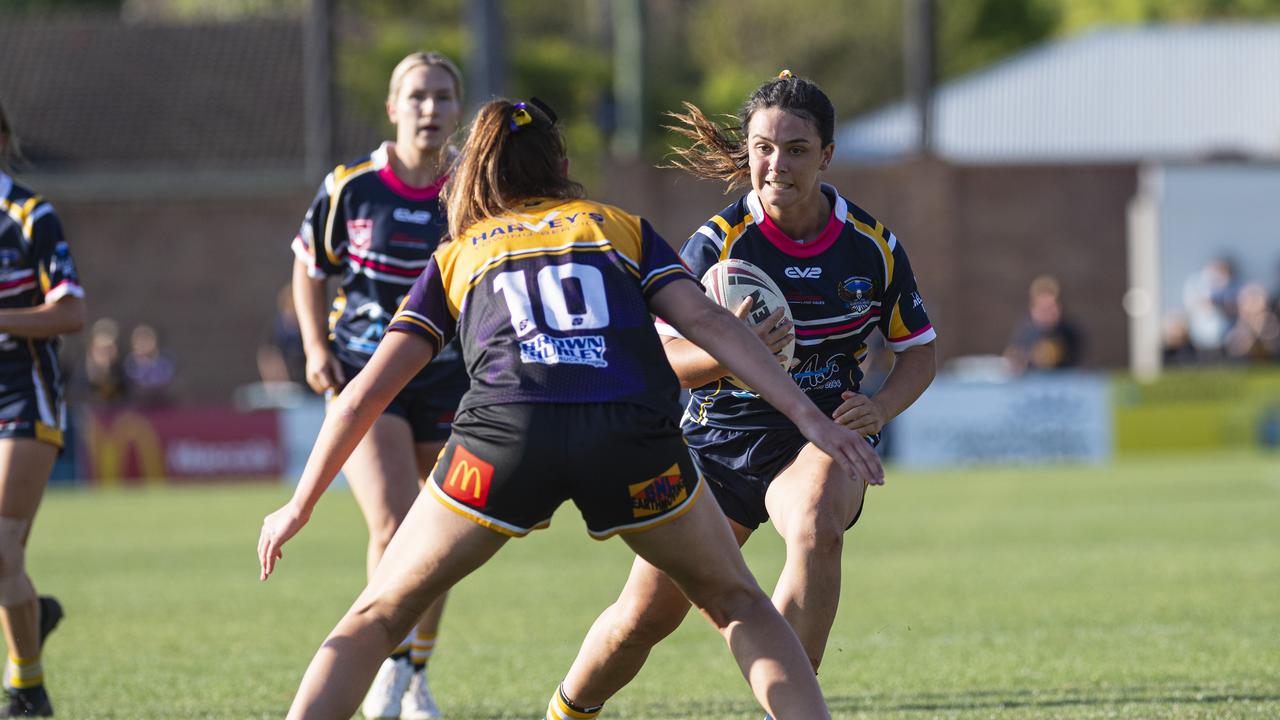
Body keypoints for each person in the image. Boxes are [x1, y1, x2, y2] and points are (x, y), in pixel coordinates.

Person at [257, 97, 884, 720]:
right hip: (626, 436)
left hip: (505, 437)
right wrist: (810, 417)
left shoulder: (460, 253)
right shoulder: (618, 226)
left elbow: (363, 393)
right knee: (737, 601)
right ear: (560, 161)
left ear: (475, 170)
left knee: (379, 613)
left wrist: (299, 505)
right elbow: (710, 323)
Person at [551, 71, 938, 718]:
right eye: (762, 147)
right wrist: (730, 346)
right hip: (719, 441)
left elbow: (919, 349)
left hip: (821, 429)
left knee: (817, 524)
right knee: (642, 619)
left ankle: (786, 709)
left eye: (795, 149)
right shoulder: (716, 245)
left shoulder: (872, 247)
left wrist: (882, 405)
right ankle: (564, 712)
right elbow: (660, 364)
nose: (775, 164)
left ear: (827, 156)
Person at [288, 51, 468, 719]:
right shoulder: (351, 187)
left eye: (442, 97)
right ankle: (390, 669)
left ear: (457, 109)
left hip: (452, 379)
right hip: (367, 375)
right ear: (393, 108)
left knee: (442, 529)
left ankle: (414, 671)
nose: (430, 108)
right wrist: (313, 347)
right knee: (395, 521)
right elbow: (309, 266)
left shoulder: (471, 190)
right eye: (417, 96)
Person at [0, 97, 83, 717]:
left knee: (1, 552)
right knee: (7, 563)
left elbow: (71, 312)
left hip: (23, 396)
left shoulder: (29, 215)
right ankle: (30, 654)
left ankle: (27, 688)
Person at [1004, 274, 1083, 373]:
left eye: (1051, 308)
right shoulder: (1024, 332)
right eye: (1042, 309)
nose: (1047, 313)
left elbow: (1078, 366)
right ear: (1032, 309)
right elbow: (1013, 360)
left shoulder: (1070, 333)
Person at [122, 323, 175, 406]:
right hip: (137, 406)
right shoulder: (129, 363)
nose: (143, 344)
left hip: (162, 405)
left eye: (147, 339)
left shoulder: (165, 362)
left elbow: (167, 382)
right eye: (139, 340)